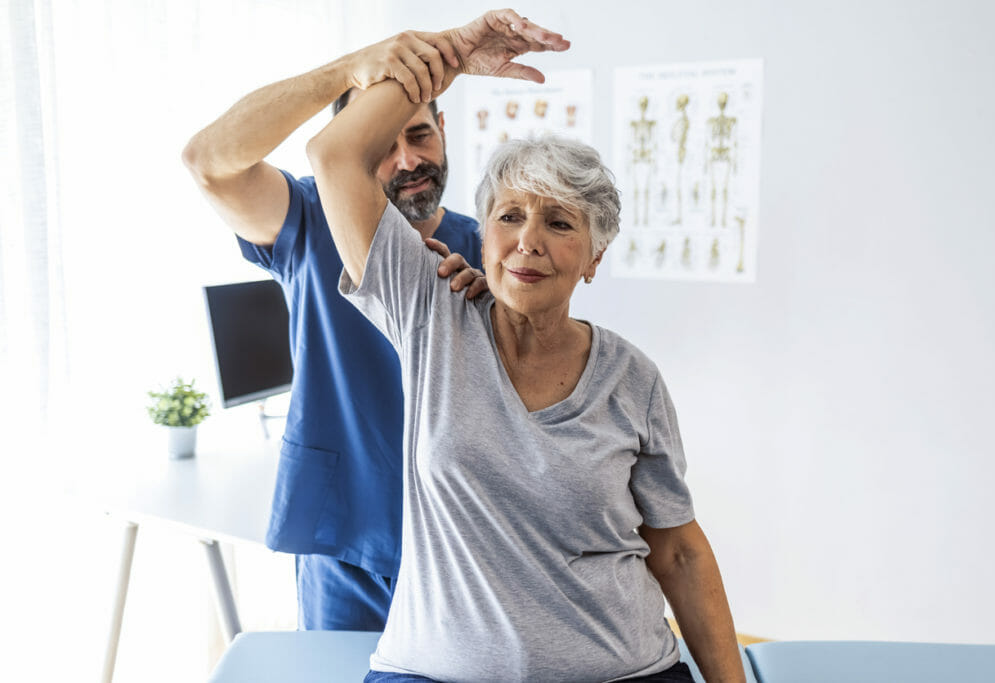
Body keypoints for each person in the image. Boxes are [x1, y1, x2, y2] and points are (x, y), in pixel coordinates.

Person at [307, 9, 746, 682]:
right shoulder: (430, 314)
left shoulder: (634, 380)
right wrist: (450, 58)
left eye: (560, 221)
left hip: (623, 671)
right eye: (509, 216)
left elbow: (679, 551)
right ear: (480, 236)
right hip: (433, 673)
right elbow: (334, 155)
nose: (528, 241)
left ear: (594, 256)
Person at [181, 32, 488, 631]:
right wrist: (349, 69)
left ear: (444, 127)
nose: (408, 161)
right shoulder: (306, 221)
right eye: (382, 144)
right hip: (345, 540)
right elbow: (208, 161)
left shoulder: (489, 248)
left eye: (420, 134)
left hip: (462, 546)